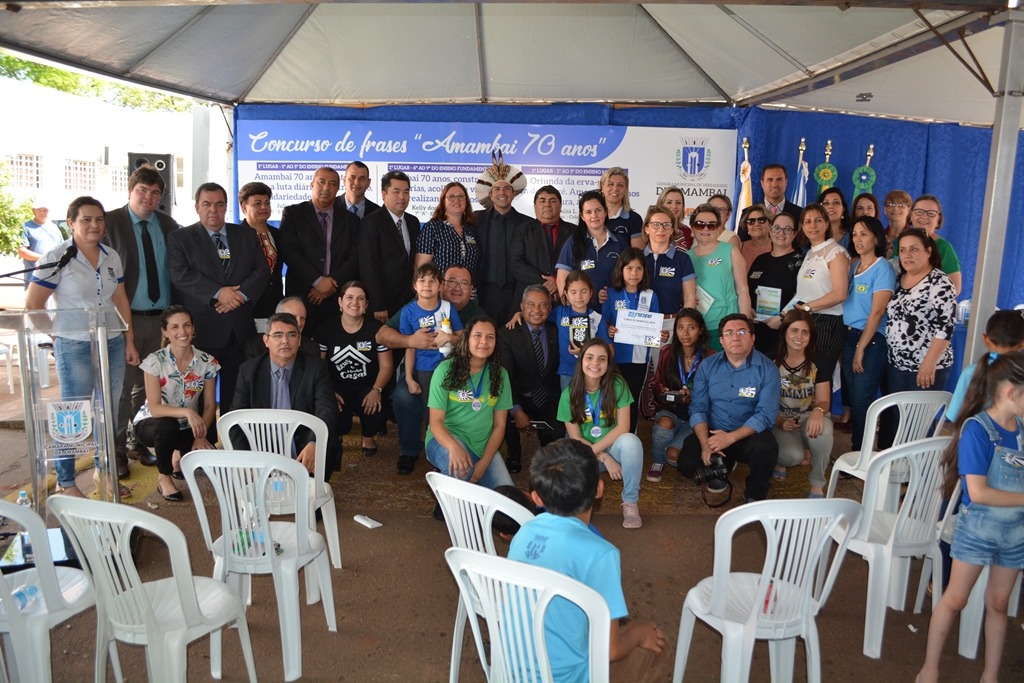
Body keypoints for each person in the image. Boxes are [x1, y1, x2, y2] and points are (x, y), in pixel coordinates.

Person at [508, 438, 668, 682]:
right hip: (567, 677)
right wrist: (637, 634)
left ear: (536, 498)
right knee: (661, 646)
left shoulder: (523, 534)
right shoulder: (601, 554)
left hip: (511, 671)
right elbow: (611, 651)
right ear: (599, 490)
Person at [916, 351, 1024, 683]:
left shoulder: (1021, 428)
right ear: (1010, 392)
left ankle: (990, 675)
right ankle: (929, 668)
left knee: (999, 602)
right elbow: (977, 492)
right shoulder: (977, 429)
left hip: (1016, 532)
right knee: (955, 598)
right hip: (977, 529)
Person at [26, 196, 139, 498]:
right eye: (86, 219)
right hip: (74, 345)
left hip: (111, 342)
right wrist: (58, 337)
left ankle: (106, 474)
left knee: (109, 411)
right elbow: (33, 305)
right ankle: (66, 481)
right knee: (73, 414)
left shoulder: (110, 255)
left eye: (99, 219)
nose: (93, 225)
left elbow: (120, 299)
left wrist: (129, 340)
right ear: (72, 223)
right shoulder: (57, 256)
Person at [167, 182, 269, 419]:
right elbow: (180, 275)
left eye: (219, 204)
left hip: (238, 329)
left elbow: (262, 271)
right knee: (200, 393)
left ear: (226, 207)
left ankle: (236, 442)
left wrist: (238, 296)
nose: (213, 210)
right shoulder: (180, 238)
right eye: (207, 204)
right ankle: (205, 442)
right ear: (197, 207)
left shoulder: (245, 234)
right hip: (203, 329)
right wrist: (218, 292)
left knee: (238, 392)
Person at [102, 165, 179, 475]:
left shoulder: (169, 224)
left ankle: (136, 441)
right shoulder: (109, 222)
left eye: (155, 192)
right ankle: (116, 451)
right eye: (142, 191)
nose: (149, 197)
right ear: (130, 191)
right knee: (122, 389)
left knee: (150, 389)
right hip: (125, 319)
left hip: (160, 320)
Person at [378, 264, 484, 475]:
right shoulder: (411, 309)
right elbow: (381, 336)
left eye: (463, 283)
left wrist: (452, 339)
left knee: (444, 403)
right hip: (421, 369)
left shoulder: (471, 310)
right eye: (451, 281)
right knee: (405, 397)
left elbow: (478, 341)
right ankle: (411, 450)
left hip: (454, 369)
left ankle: (450, 447)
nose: (456, 287)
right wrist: (410, 341)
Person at [677, 314, 780, 502]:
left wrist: (730, 438)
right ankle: (724, 462)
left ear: (753, 338)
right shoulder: (708, 366)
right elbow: (698, 408)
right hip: (714, 431)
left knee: (766, 450)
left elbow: (766, 414)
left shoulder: (768, 369)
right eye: (729, 333)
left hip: (747, 433)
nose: (736, 337)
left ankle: (754, 495)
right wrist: (704, 444)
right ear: (722, 341)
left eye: (742, 332)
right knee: (687, 465)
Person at [231, 312, 341, 478]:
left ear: (299, 340)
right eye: (277, 335)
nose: (285, 341)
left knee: (326, 443)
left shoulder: (316, 368)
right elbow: (235, 419)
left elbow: (327, 410)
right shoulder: (248, 371)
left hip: (302, 445)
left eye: (291, 335)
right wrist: (246, 458)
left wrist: (314, 442)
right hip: (261, 446)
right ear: (266, 341)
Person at [132, 305, 218, 502]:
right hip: (152, 423)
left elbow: (209, 406)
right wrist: (187, 413)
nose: (182, 332)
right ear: (165, 331)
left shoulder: (208, 362)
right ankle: (164, 477)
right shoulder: (154, 361)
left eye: (187, 325)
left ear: (193, 328)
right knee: (167, 426)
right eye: (175, 327)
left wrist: (200, 436)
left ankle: (177, 456)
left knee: (205, 455)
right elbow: (155, 408)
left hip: (189, 425)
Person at [880, 228, 957, 448]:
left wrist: (929, 363)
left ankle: (923, 474)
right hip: (897, 365)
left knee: (920, 423)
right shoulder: (897, 278)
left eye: (914, 249)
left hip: (927, 366)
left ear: (928, 251)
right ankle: (901, 470)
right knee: (900, 418)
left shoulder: (940, 283)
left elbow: (946, 326)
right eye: (903, 250)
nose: (907, 255)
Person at [558, 338, 645, 528]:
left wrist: (606, 454)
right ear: (581, 361)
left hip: (613, 447)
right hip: (586, 451)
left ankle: (630, 501)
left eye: (601, 359)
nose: (595, 364)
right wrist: (603, 457)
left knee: (631, 442)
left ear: (608, 363)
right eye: (589, 357)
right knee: (566, 467)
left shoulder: (618, 384)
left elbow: (623, 428)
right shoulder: (569, 394)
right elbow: (575, 437)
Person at [425, 316, 514, 490]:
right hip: (446, 438)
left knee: (508, 498)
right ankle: (448, 503)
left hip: (483, 446)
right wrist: (454, 447)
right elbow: (435, 422)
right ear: (467, 339)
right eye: (477, 336)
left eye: (490, 337)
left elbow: (499, 425)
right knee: (462, 471)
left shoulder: (500, 374)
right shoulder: (445, 370)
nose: (484, 342)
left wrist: (484, 463)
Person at [277, 166, 360, 334]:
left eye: (332, 184)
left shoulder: (350, 220)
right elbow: (290, 252)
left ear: (338, 188)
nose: (326, 188)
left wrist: (330, 282)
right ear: (311, 184)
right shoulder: (293, 214)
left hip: (337, 296)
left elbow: (355, 256)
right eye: (321, 182)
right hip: (302, 294)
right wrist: (317, 281)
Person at [316, 281, 393, 458]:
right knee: (337, 421)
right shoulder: (326, 329)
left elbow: (387, 366)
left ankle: (368, 437)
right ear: (340, 302)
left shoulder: (377, 329)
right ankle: (338, 434)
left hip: (367, 387)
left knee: (376, 410)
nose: (355, 302)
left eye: (360, 299)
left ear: (366, 305)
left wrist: (377, 390)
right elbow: (319, 366)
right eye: (349, 298)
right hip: (337, 388)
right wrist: (328, 391)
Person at [841, 216, 896, 451]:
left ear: (876, 237)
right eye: (854, 234)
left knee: (863, 399)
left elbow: (877, 312)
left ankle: (860, 455)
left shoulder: (882, 268)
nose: (858, 239)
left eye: (863, 233)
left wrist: (861, 348)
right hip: (849, 335)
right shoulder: (854, 265)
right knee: (854, 398)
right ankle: (858, 452)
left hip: (871, 340)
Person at [498, 285, 566, 474]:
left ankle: (546, 455)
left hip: (547, 395)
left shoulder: (556, 329)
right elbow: (505, 377)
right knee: (504, 415)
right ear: (521, 306)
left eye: (543, 305)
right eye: (531, 305)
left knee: (557, 431)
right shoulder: (507, 333)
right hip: (519, 393)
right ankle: (513, 455)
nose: (537, 310)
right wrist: (516, 409)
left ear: (550, 308)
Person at [770, 310, 833, 498]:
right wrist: (779, 421)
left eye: (804, 332)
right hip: (780, 418)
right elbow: (764, 403)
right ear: (784, 333)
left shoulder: (819, 361)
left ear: (811, 336)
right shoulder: (771, 361)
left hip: (808, 416)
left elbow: (824, 400)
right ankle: (782, 459)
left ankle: (817, 484)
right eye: (794, 330)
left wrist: (818, 411)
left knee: (824, 432)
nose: (799, 336)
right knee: (791, 457)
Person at [649, 309, 715, 482]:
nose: (685, 333)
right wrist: (662, 391)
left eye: (691, 327)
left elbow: (716, 394)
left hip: (696, 419)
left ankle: (675, 453)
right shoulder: (666, 352)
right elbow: (655, 384)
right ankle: (657, 462)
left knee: (673, 456)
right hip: (671, 411)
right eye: (680, 327)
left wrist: (693, 396)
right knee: (664, 423)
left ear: (701, 329)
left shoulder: (711, 357)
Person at [602, 248, 663, 434]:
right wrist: (609, 330)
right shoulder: (610, 294)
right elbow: (604, 322)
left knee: (632, 399)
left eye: (638, 268)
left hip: (638, 358)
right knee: (612, 397)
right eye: (629, 268)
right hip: (615, 356)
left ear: (644, 271)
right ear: (621, 269)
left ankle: (630, 435)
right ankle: (610, 435)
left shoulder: (651, 295)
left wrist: (659, 335)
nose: (634, 273)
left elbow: (654, 327)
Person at [794, 203, 849, 391]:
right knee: (808, 376)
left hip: (828, 323)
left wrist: (808, 307)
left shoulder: (836, 253)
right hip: (807, 320)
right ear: (802, 226)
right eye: (807, 221)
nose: (813, 225)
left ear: (827, 223)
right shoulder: (810, 253)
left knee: (821, 377)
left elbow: (840, 293)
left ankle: (822, 417)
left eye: (818, 220)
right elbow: (801, 294)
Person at [687, 202, 752, 351]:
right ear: (692, 229)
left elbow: (743, 290)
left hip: (727, 326)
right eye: (700, 224)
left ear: (718, 229)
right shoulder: (686, 257)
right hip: (698, 327)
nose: (705, 228)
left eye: (711, 225)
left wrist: (745, 326)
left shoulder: (731, 251)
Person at [358, 170, 421, 321]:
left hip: (409, 302)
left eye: (406, 192)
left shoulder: (413, 222)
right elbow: (368, 267)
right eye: (396, 191)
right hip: (383, 304)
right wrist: (378, 304)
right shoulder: (371, 222)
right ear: (384, 194)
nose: (402, 197)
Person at [400, 263, 464, 410]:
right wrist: (409, 378)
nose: (427, 285)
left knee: (452, 405)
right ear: (414, 286)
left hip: (450, 363)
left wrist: (449, 338)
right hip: (424, 367)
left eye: (432, 280)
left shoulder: (448, 307)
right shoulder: (407, 312)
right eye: (422, 280)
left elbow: (462, 340)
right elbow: (409, 348)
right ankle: (433, 432)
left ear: (440, 286)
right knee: (431, 408)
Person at [473, 157, 529, 324]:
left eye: (507, 188)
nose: (502, 193)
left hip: (516, 292)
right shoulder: (475, 220)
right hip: (484, 292)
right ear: (490, 194)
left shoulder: (528, 224)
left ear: (513, 193)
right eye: (496, 189)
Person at [947, 310, 1024, 422]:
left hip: (975, 435)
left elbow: (954, 415)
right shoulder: (1020, 373)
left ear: (985, 339)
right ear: (1022, 344)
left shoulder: (971, 372)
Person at [555, 190, 627, 306]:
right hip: (583, 314)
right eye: (588, 212)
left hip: (614, 311)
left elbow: (629, 278)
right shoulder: (573, 242)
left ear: (605, 212)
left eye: (598, 210)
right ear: (582, 216)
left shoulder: (619, 242)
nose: (594, 216)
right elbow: (562, 278)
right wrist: (570, 306)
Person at [748, 211, 804, 359]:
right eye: (777, 228)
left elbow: (804, 297)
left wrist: (782, 318)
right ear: (770, 230)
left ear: (794, 234)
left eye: (787, 229)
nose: (781, 232)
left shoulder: (799, 262)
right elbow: (747, 290)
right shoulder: (761, 260)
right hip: (757, 331)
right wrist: (749, 308)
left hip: (785, 333)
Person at [508, 185, 575, 304]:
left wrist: (558, 281)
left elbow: (580, 262)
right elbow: (515, 263)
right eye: (542, 201)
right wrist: (544, 282)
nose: (547, 205)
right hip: (529, 299)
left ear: (561, 205)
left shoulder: (574, 232)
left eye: (552, 201)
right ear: (535, 206)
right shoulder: (522, 231)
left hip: (565, 298)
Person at [415, 181, 479, 284]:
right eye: (451, 197)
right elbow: (421, 267)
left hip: (468, 294)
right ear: (443, 201)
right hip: (441, 293)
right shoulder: (433, 227)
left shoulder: (471, 229)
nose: (457, 200)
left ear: (466, 201)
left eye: (461, 196)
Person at [237, 181, 283, 326]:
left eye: (267, 203)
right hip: (247, 308)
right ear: (244, 207)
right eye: (257, 203)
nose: (264, 207)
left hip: (275, 308)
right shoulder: (235, 237)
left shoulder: (278, 234)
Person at [642, 207, 696, 318]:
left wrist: (683, 324)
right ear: (647, 229)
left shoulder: (683, 259)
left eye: (666, 224)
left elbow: (689, 298)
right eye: (655, 224)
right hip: (641, 323)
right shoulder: (637, 258)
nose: (661, 229)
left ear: (672, 229)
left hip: (671, 323)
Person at [905, 194, 962, 296]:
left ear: (938, 219)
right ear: (910, 215)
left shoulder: (944, 248)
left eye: (931, 213)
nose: (924, 216)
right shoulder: (898, 243)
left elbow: (954, 289)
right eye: (919, 211)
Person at [19, 204, 64, 288]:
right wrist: (45, 257)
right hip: (34, 278)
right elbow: (22, 252)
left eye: (45, 210)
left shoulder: (55, 228)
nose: (42, 213)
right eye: (39, 210)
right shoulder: (25, 227)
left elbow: (62, 249)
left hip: (55, 278)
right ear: (33, 211)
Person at [599, 167, 644, 249]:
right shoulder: (593, 216)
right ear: (602, 187)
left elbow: (637, 255)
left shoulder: (634, 219)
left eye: (620, 185)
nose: (615, 189)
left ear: (626, 189)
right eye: (610, 184)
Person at [656, 186, 692, 251]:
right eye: (669, 202)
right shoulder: (652, 229)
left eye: (678, 203)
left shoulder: (687, 232)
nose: (674, 206)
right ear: (660, 205)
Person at [738, 204, 772, 271]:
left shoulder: (779, 247)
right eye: (751, 221)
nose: (756, 224)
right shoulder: (739, 248)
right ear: (746, 227)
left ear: (770, 224)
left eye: (761, 220)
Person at [882, 189, 912, 255]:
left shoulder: (913, 236)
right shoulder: (879, 236)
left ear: (909, 209)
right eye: (891, 205)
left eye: (901, 205)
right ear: (885, 209)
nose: (895, 208)